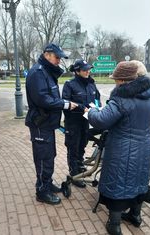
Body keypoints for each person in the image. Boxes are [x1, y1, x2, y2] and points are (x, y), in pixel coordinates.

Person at [87, 61, 150, 235]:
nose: (115, 82)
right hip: (144, 150)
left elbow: (100, 120)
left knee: (118, 184)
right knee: (139, 183)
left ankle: (114, 225)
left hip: (121, 150)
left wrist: (90, 112)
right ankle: (135, 216)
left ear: (124, 81)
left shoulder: (121, 99)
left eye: (117, 79)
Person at [25, 43, 77, 205]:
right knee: (43, 158)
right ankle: (42, 190)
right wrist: (65, 104)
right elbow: (43, 99)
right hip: (40, 124)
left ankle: (46, 182)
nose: (59, 60)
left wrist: (63, 103)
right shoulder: (38, 73)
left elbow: (50, 97)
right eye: (57, 57)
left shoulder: (46, 72)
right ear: (47, 54)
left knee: (49, 155)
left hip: (47, 123)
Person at [62, 59, 101, 188]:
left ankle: (80, 166)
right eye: (84, 70)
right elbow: (65, 102)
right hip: (73, 122)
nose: (87, 71)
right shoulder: (70, 84)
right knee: (73, 147)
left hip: (86, 121)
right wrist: (80, 107)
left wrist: (97, 107)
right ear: (77, 71)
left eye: (89, 69)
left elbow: (97, 99)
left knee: (82, 145)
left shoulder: (91, 84)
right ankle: (74, 174)